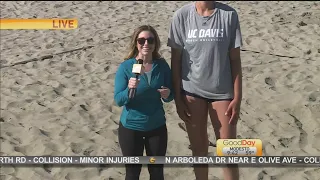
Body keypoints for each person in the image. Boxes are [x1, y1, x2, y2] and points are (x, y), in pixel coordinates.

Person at [168, 1, 242, 180]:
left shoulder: (228, 15)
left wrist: (238, 97)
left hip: (223, 93)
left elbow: (235, 60)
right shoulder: (181, 16)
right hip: (191, 92)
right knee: (199, 151)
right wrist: (178, 98)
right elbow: (175, 60)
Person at [114, 25, 174, 180]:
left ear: (155, 43)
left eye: (150, 40)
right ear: (136, 43)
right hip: (131, 128)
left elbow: (170, 94)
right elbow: (119, 100)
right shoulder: (126, 67)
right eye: (142, 40)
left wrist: (167, 94)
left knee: (156, 172)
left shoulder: (162, 66)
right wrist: (129, 89)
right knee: (133, 174)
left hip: (156, 127)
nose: (146, 44)